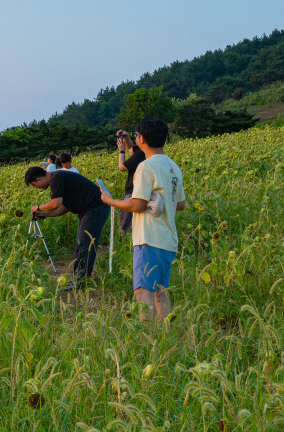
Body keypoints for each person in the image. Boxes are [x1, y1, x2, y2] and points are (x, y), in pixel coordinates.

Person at [100, 117, 186, 320]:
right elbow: (180, 204)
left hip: (149, 237)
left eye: (136, 135)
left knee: (143, 292)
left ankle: (147, 340)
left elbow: (137, 204)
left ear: (142, 139)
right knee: (160, 291)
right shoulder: (173, 166)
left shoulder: (146, 167)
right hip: (168, 239)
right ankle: (165, 337)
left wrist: (110, 200)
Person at [25, 165, 110, 290]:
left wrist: (38, 207)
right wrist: (45, 215)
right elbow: (64, 207)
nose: (37, 188)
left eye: (35, 185)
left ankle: (81, 282)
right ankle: (79, 279)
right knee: (82, 244)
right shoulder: (57, 178)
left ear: (39, 179)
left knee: (85, 245)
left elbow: (56, 203)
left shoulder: (56, 177)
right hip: (88, 209)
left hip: (95, 207)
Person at [115, 130, 146, 235]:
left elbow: (122, 167)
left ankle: (123, 245)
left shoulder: (141, 154)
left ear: (142, 139)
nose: (135, 137)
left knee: (125, 226)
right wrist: (126, 138)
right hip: (141, 192)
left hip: (132, 192)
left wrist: (121, 151)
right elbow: (130, 148)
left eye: (136, 135)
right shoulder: (144, 152)